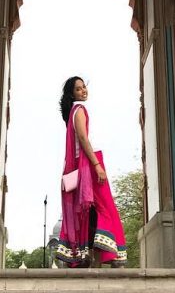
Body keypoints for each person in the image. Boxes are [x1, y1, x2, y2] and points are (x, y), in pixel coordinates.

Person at [55, 76, 126, 268]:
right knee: (106, 208)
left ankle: (86, 254)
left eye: (84, 86)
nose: (83, 90)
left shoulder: (72, 113)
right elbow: (83, 139)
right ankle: (112, 254)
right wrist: (96, 165)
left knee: (89, 212)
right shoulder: (79, 110)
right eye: (78, 89)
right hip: (87, 167)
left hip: (78, 167)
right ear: (72, 94)